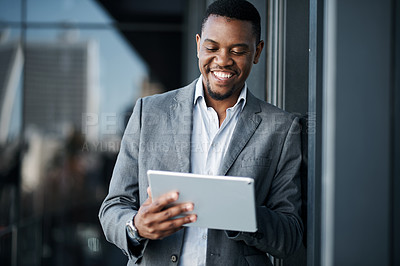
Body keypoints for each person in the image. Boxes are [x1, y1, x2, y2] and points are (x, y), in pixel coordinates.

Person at [99, 0, 303, 265]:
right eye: (211, 47)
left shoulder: (282, 129)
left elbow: (290, 236)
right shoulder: (148, 113)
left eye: (238, 50)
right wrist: (135, 226)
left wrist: (242, 214)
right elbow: (112, 207)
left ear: (257, 52)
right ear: (198, 45)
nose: (222, 60)